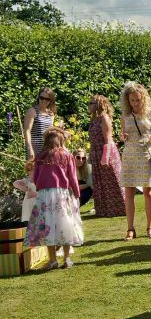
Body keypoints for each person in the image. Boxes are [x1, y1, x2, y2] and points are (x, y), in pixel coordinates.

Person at [24, 127, 84, 271]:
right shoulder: (66, 155)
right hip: (63, 194)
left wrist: (39, 187)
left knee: (47, 225)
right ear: (61, 140)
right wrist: (76, 193)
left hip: (45, 195)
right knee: (65, 223)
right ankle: (67, 258)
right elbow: (72, 176)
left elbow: (36, 178)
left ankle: (52, 260)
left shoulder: (40, 156)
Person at [119, 82, 151, 240]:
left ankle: (150, 228)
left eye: (138, 100)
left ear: (143, 98)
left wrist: (150, 136)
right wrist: (122, 137)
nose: (136, 103)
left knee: (148, 192)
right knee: (128, 193)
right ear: (127, 100)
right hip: (129, 155)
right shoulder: (125, 116)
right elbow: (123, 135)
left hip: (145, 155)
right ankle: (130, 229)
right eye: (132, 100)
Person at [87, 95, 126, 218]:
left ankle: (120, 209)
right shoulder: (94, 119)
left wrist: (105, 157)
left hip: (106, 152)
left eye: (91, 103)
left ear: (99, 105)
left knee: (112, 181)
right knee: (100, 183)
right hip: (96, 152)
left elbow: (108, 139)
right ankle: (104, 210)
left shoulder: (104, 118)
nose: (89, 105)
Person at [23, 87, 56, 159]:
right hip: (34, 148)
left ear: (51, 100)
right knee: (33, 170)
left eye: (47, 99)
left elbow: (50, 132)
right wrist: (29, 148)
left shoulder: (51, 114)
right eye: (42, 98)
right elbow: (27, 131)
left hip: (47, 149)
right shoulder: (32, 111)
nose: (44, 100)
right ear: (38, 98)